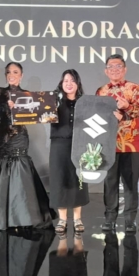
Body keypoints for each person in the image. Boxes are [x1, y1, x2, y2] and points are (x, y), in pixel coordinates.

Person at [0, 62, 55, 230]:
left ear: (21, 75)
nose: (12, 75)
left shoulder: (27, 95)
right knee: (2, 166)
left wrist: (20, 109)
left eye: (15, 72)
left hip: (20, 136)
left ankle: (23, 214)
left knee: (20, 168)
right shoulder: (1, 92)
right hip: (3, 136)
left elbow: (40, 113)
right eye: (8, 72)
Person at [96, 54, 139, 232]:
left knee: (130, 183)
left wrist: (127, 107)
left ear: (124, 69)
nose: (114, 69)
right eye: (111, 66)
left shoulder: (135, 88)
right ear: (106, 71)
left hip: (131, 143)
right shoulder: (101, 91)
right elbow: (97, 116)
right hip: (109, 144)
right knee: (110, 183)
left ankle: (130, 220)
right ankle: (110, 218)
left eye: (118, 66)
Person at [49, 69, 89, 234]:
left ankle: (78, 218)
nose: (69, 83)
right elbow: (35, 112)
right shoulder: (53, 101)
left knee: (78, 180)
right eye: (66, 80)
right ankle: (62, 219)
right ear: (61, 83)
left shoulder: (85, 103)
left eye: (72, 80)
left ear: (77, 83)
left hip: (79, 145)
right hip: (59, 145)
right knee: (60, 180)